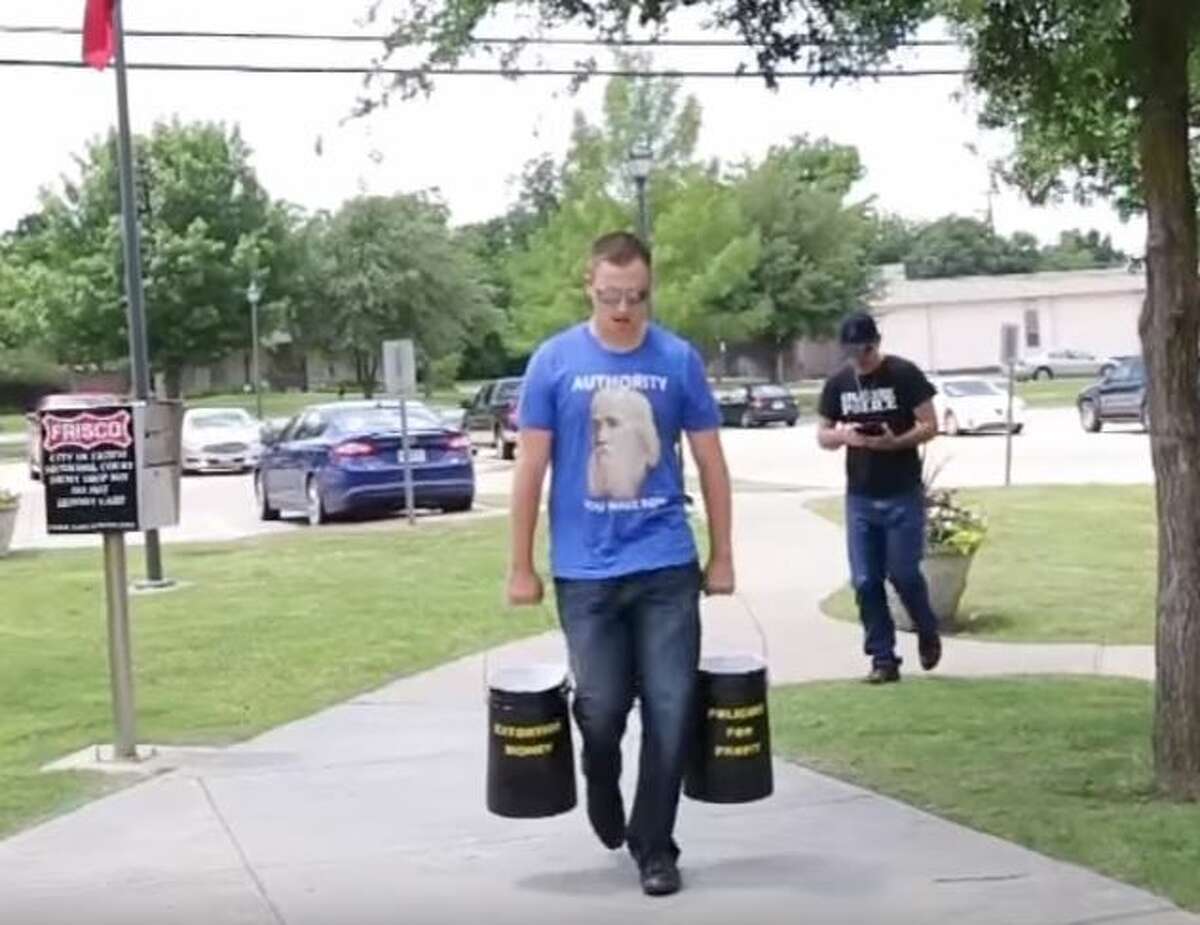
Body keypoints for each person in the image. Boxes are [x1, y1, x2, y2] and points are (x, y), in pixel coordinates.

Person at [507, 231, 735, 898]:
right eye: (611, 296)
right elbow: (530, 467)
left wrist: (722, 554)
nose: (624, 310)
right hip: (586, 571)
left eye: (636, 297)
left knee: (672, 706)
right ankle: (599, 772)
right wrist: (520, 564)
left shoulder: (677, 360)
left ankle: (655, 843)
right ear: (590, 285)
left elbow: (712, 462)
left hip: (665, 562)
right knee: (602, 707)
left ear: (649, 290)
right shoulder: (554, 362)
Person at [817, 311, 942, 684]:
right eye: (855, 351)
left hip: (902, 490)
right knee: (866, 580)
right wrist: (845, 437)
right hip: (861, 496)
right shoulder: (839, 383)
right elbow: (822, 435)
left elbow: (930, 425)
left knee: (903, 573)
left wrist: (894, 442)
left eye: (867, 349)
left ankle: (926, 627)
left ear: (878, 342)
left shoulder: (904, 374)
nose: (862, 358)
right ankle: (883, 658)